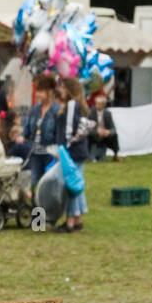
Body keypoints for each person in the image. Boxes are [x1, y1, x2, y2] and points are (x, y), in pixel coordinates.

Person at [55, 77, 92, 233]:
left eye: (63, 88)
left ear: (69, 89)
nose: (61, 91)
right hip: (81, 150)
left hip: (72, 151)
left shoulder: (71, 105)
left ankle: (70, 220)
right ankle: (78, 221)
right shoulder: (82, 105)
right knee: (77, 184)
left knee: (71, 185)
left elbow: (69, 130)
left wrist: (63, 150)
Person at [22, 73, 59, 186]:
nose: (37, 94)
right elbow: (27, 131)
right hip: (35, 154)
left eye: (41, 91)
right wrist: (22, 137)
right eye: (37, 91)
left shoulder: (57, 111)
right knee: (33, 184)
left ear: (50, 92)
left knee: (50, 185)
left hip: (51, 154)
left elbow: (59, 134)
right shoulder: (34, 110)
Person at [88, 91, 121, 160]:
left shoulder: (108, 113)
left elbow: (113, 128)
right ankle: (88, 155)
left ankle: (116, 155)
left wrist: (108, 132)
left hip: (105, 136)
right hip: (94, 136)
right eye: (96, 103)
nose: (97, 105)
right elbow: (88, 128)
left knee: (114, 135)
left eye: (99, 104)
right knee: (87, 136)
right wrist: (97, 131)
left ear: (103, 105)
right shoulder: (91, 112)